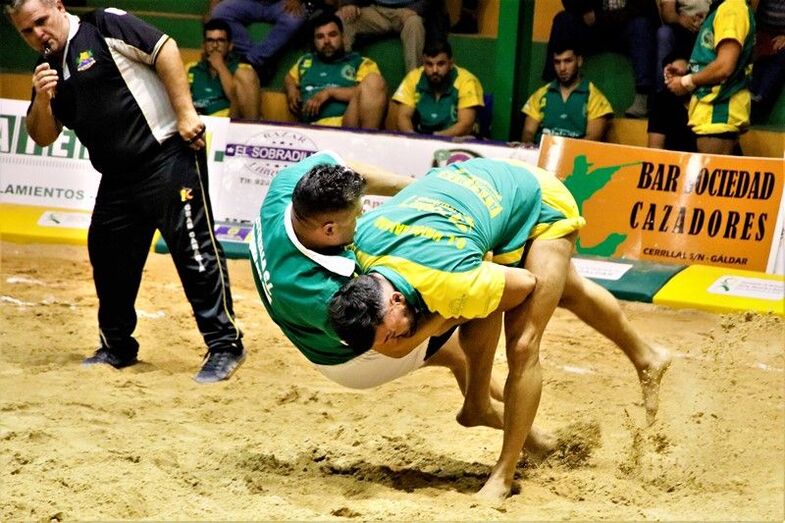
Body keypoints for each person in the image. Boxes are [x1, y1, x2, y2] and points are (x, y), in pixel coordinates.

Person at [329, 157, 672, 499]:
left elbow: (523, 284)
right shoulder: (362, 243)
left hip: (541, 202)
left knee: (523, 343)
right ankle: (648, 356)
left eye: (391, 333)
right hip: (481, 191)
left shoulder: (448, 277)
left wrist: (420, 334)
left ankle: (503, 475)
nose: (395, 340)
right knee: (567, 290)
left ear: (397, 301)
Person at [7, 0, 245, 383]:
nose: (38, 35)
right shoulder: (48, 71)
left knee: (194, 252)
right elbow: (42, 135)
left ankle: (225, 345)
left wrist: (186, 114)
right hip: (117, 177)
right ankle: (117, 346)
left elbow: (164, 47)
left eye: (40, 22)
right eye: (27, 31)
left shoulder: (103, 25)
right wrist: (42, 98)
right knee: (107, 256)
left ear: (57, 5)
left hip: (167, 156)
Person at [666, 0, 756, 155]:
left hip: (718, 112)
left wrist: (686, 82)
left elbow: (725, 66)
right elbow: (715, 60)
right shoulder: (722, 8)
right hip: (712, 114)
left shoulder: (732, 9)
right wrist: (688, 73)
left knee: (711, 176)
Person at [543, 0, 658, 118]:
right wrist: (585, 9)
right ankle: (552, 90)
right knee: (562, 20)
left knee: (642, 25)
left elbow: (645, 10)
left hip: (623, 29)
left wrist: (600, 16)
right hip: (594, 30)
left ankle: (642, 97)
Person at [284, 12, 388, 128]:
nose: (327, 41)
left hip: (348, 125)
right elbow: (289, 77)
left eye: (332, 35)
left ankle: (366, 142)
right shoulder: (305, 61)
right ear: (314, 41)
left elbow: (370, 94)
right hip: (311, 129)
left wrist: (330, 92)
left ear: (343, 37)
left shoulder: (360, 63)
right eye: (320, 37)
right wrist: (292, 89)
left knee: (374, 80)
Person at [521, 43, 613, 144]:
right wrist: (529, 146)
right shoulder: (541, 94)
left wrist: (564, 152)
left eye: (568, 61)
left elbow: (593, 138)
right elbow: (528, 132)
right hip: (543, 154)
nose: (562, 68)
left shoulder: (594, 97)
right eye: (557, 62)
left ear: (579, 61)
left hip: (576, 156)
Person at [392, 39, 484, 137]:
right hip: (421, 138)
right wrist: (412, 137)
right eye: (429, 64)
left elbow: (466, 125)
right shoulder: (413, 78)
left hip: (459, 141)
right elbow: (403, 116)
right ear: (423, 63)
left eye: (440, 64)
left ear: (451, 63)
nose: (435, 70)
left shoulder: (466, 81)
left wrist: (435, 138)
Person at [208, 0, 310, 81]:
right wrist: (212, 8)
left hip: (280, 4)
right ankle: (260, 61)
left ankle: (251, 60)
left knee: (295, 18)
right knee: (220, 12)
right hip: (249, 3)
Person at [186, 19, 261, 119]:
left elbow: (245, 111)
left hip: (229, 126)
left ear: (230, 46)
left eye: (220, 41)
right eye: (210, 41)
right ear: (203, 46)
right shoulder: (191, 68)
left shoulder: (243, 70)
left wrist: (220, 66)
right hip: (198, 124)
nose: (215, 46)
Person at [337, 0, 429, 72]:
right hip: (377, 9)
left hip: (408, 11)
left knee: (415, 24)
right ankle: (341, 76)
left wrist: (415, 9)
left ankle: (415, 84)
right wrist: (350, 3)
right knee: (342, 18)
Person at [750, 0, 785, 123]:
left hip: (782, 39)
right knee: (758, 60)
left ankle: (760, 95)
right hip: (762, 34)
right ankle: (753, 95)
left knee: (779, 58)